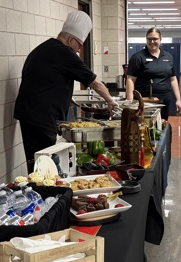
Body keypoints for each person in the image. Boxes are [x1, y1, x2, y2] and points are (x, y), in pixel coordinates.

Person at [14, 10, 117, 172]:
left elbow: (49, 82)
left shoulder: (46, 48)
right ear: (70, 39)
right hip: (39, 117)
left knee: (39, 161)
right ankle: (43, 194)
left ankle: (43, 191)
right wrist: (111, 101)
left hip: (33, 114)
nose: (78, 51)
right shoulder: (63, 52)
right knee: (43, 165)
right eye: (79, 46)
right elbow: (94, 82)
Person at [126, 27, 181, 120]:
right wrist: (130, 101)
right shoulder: (138, 57)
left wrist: (178, 99)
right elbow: (130, 79)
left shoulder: (168, 57)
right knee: (145, 126)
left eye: (155, 39)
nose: (152, 42)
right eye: (149, 39)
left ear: (160, 40)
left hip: (164, 99)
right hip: (145, 100)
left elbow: (173, 79)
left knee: (162, 125)